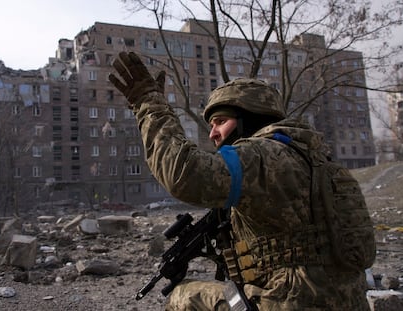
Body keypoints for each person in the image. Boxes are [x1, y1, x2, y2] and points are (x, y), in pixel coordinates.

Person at [109, 51, 373, 310]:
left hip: (290, 300)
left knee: (182, 296)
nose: (212, 134)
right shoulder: (318, 161)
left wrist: (148, 103)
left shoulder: (260, 155)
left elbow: (184, 175)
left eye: (220, 122)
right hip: (345, 300)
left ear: (250, 120)